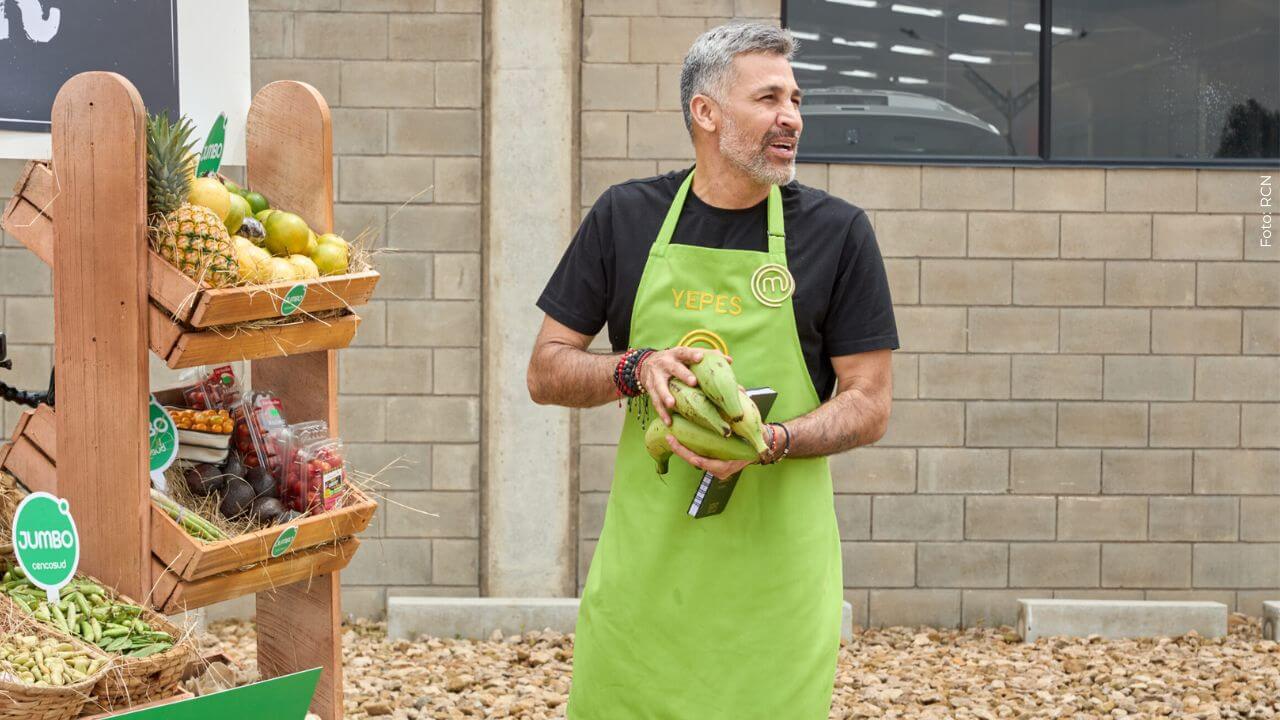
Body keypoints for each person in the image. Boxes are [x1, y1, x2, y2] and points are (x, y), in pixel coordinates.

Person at [526, 21, 899, 720]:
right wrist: (636, 369)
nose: (791, 116)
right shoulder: (625, 218)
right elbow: (546, 371)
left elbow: (870, 402)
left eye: (796, 99)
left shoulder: (838, 233)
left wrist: (773, 440)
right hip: (647, 574)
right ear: (706, 113)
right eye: (768, 98)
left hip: (775, 583)